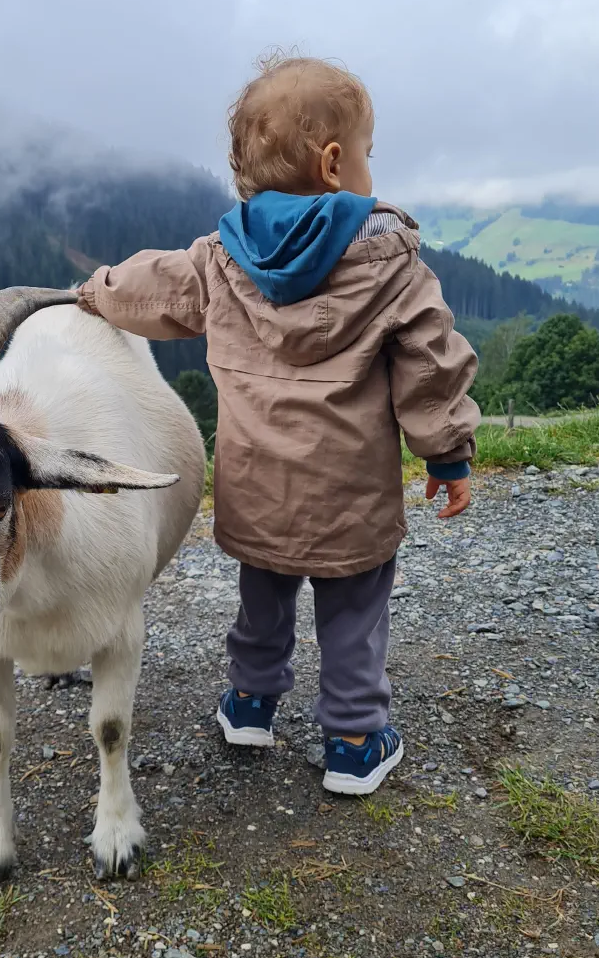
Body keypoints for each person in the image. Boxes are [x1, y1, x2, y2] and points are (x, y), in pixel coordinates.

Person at [75, 54, 480, 795]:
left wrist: (94, 292)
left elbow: (149, 287)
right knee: (354, 612)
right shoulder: (392, 263)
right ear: (334, 163)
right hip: (350, 499)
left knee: (261, 601)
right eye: (365, 152)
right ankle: (356, 739)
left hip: (256, 489)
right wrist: (447, 454)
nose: (367, 165)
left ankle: (250, 705)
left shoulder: (220, 258)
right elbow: (433, 362)